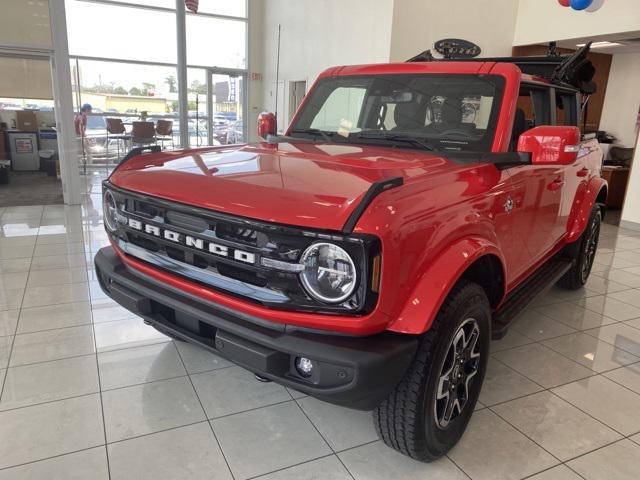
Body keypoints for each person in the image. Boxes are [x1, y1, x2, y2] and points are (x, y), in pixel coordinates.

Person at [74, 103, 92, 168]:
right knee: (88, 151)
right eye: (90, 110)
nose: (90, 112)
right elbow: (81, 129)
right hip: (79, 136)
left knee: (79, 153)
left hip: (77, 136)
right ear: (87, 110)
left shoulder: (78, 115)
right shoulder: (83, 117)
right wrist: (86, 139)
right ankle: (88, 167)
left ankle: (82, 167)